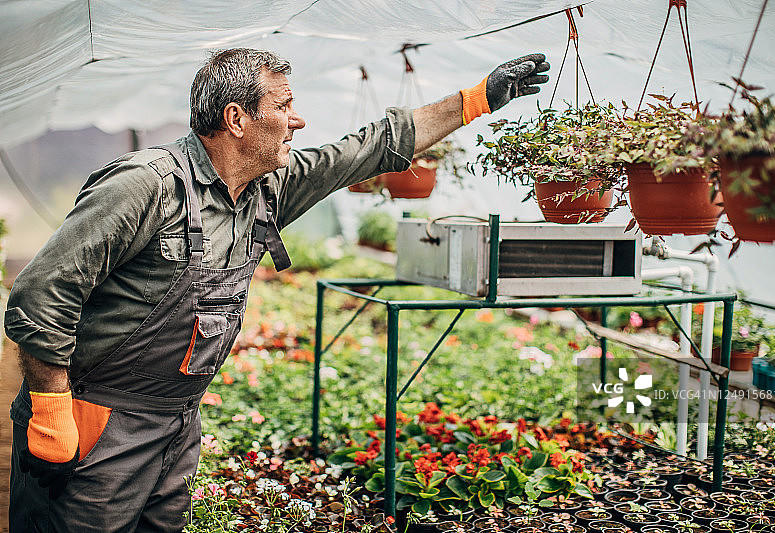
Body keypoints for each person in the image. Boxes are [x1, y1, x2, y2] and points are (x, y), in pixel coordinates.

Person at [4, 48, 549, 532]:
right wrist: (52, 410)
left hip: (177, 423)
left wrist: (476, 99)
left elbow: (367, 149)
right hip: (97, 419)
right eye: (285, 106)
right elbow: (40, 294)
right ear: (237, 118)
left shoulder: (266, 189)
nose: (299, 119)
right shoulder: (146, 185)